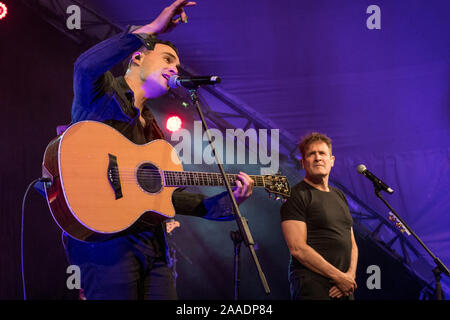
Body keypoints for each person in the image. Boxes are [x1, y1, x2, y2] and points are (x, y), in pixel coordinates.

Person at [63, 0, 254, 300]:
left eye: (177, 65)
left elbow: (169, 198)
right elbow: (84, 66)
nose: (174, 69)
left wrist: (230, 201)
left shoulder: (155, 132)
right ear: (137, 57)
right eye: (167, 59)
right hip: (106, 242)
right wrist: (150, 29)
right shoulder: (102, 96)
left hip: (152, 245)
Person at [280, 132, 358, 300]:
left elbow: (352, 242)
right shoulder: (296, 195)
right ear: (303, 163)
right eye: (311, 154)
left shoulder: (339, 195)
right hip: (313, 286)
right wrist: (338, 277)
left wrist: (349, 277)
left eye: (322, 153)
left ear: (332, 161)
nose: (317, 158)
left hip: (343, 287)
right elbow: (297, 248)